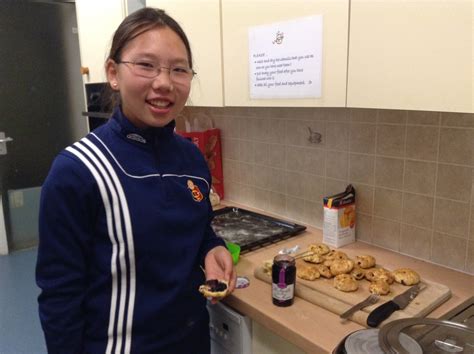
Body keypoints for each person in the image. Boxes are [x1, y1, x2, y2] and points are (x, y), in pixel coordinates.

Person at [36, 7, 236, 354]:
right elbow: (60, 296)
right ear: (113, 73)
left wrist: (212, 247)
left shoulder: (191, 159)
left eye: (179, 69)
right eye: (146, 65)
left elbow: (199, 229)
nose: (164, 82)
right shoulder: (78, 170)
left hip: (191, 343)